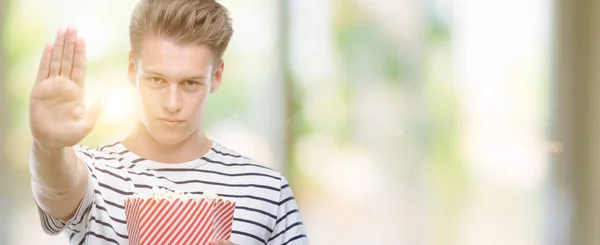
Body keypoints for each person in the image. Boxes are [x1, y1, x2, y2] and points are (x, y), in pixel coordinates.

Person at [28, 0, 309, 244]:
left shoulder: (267, 191)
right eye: (157, 80)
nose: (172, 103)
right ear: (131, 70)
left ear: (217, 76)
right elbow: (57, 187)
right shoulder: (96, 178)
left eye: (190, 83)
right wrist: (48, 147)